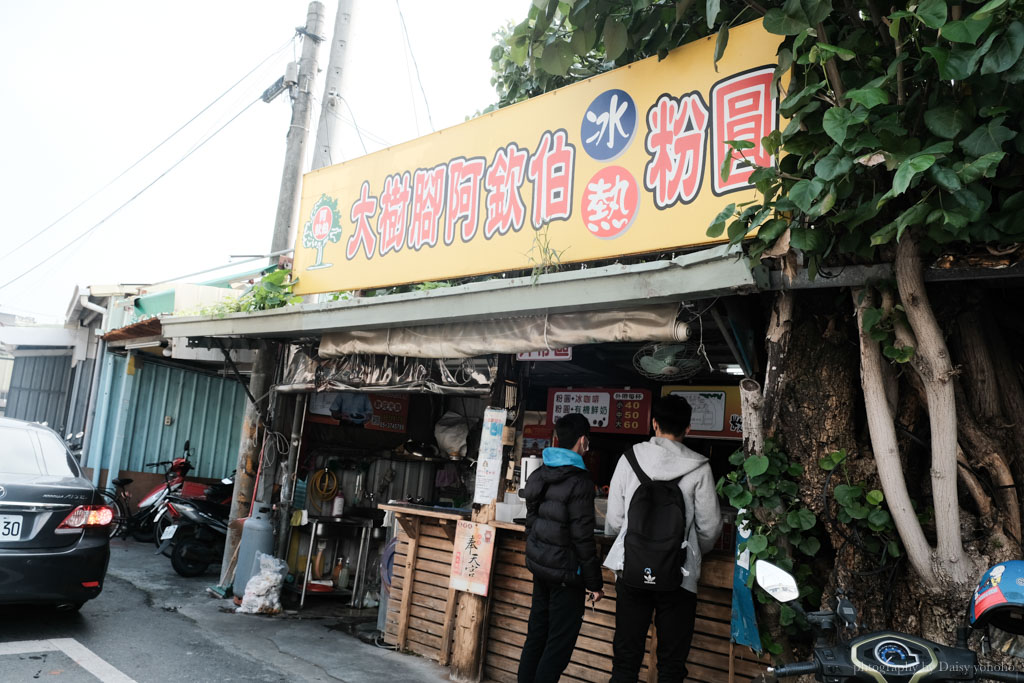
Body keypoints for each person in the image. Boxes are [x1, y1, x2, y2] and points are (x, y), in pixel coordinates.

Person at [603, 395, 722, 682]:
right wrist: (690, 552)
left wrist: (631, 544)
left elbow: (615, 518)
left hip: (631, 569)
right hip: (679, 577)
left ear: (653, 423)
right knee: (671, 663)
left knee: (626, 657)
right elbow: (711, 527)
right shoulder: (700, 468)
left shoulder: (629, 458)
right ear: (688, 429)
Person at [518, 412, 604, 683]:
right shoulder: (580, 481)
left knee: (536, 636)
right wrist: (594, 583)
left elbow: (531, 520)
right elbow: (582, 537)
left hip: (541, 568)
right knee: (557, 647)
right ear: (582, 441)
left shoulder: (541, 472)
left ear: (557, 439)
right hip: (566, 575)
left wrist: (537, 551)